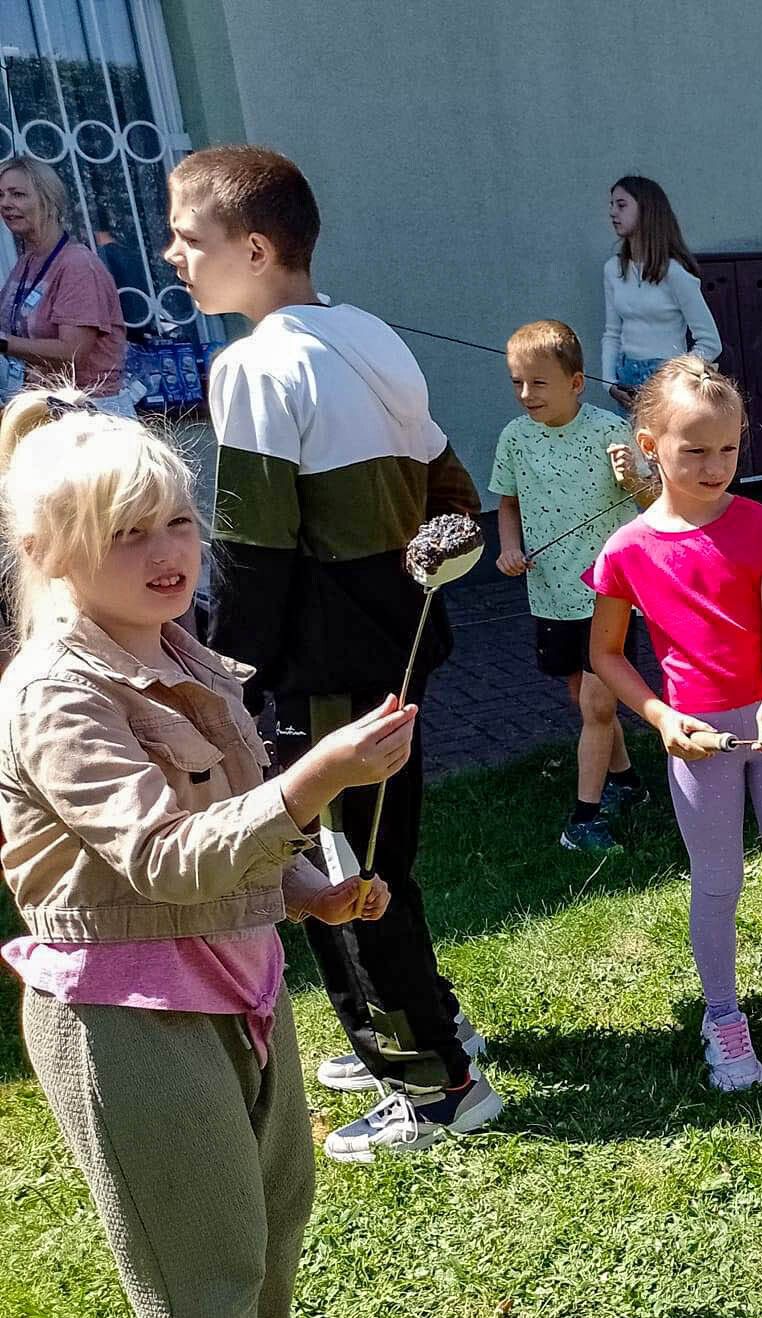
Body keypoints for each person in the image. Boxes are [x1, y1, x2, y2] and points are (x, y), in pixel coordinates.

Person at [0, 391, 416, 1318]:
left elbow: (229, 837)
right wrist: (310, 785)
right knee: (200, 1257)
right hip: (126, 1015)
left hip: (236, 979)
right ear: (49, 556)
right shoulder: (54, 695)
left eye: (177, 522)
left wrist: (306, 888)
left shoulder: (190, 657)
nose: (166, 553)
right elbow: (162, 856)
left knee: (272, 1213)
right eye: (125, 533)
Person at [163, 144, 500, 1160]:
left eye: (189, 238)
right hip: (392, 651)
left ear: (255, 248)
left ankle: (434, 1084)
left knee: (338, 870)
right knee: (376, 853)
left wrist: (212, 672)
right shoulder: (369, 334)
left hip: (322, 674)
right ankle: (428, 1019)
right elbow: (453, 489)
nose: (173, 256)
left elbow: (251, 555)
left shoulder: (255, 366)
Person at [585, 355, 762, 1090]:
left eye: (728, 449)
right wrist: (658, 716)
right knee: (717, 881)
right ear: (649, 446)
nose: (714, 466)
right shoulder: (627, 551)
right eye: (694, 450)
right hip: (695, 736)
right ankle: (725, 1019)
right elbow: (605, 654)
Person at [490, 319, 650, 852]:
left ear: (576, 383)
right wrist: (508, 547)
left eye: (538, 382)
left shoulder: (609, 431)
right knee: (583, 694)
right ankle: (627, 783)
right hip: (552, 592)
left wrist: (635, 478)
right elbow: (507, 503)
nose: (525, 394)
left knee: (599, 706)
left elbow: (654, 504)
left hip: (610, 591)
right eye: (517, 382)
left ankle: (583, 819)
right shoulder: (514, 437)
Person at [0, 157, 129, 412]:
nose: (5, 204)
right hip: (48, 407)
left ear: (49, 201)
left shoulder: (78, 266)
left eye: (18, 194)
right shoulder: (27, 263)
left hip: (91, 413)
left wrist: (4, 343)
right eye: (1, 195)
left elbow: (72, 352)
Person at [601, 175, 721, 409]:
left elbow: (710, 342)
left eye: (622, 205)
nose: (613, 212)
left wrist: (675, 374)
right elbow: (612, 333)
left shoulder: (674, 273)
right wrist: (610, 384)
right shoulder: (612, 269)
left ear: (647, 210)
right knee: (630, 444)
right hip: (626, 379)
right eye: (612, 205)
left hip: (667, 380)